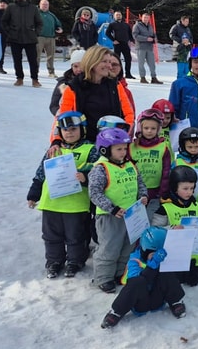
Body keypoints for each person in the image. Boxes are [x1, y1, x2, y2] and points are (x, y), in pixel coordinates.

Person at [27, 111, 99, 278]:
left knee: (76, 235)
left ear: (83, 130)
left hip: (76, 204)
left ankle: (75, 260)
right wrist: (33, 194)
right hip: (51, 202)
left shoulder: (91, 149)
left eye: (74, 129)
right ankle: (54, 261)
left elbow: (99, 171)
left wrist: (86, 177)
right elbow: (41, 173)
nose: (69, 133)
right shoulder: (54, 150)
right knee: (51, 235)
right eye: (65, 130)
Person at [88, 128, 148, 293]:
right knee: (109, 247)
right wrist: (112, 208)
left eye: (124, 148)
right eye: (118, 149)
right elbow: (95, 193)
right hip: (110, 217)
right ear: (105, 150)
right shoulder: (100, 168)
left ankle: (119, 273)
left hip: (131, 215)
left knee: (127, 247)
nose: (123, 152)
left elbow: (140, 183)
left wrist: (143, 196)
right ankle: (103, 277)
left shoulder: (130, 165)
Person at [100, 227, 186, 329]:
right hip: (140, 302)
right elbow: (137, 282)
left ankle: (175, 301)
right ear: (145, 250)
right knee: (137, 281)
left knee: (166, 273)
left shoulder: (165, 258)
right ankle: (117, 312)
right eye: (154, 253)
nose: (159, 256)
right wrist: (152, 265)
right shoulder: (135, 260)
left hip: (158, 299)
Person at [56, 45, 135, 142]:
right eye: (105, 61)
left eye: (110, 62)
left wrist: (123, 133)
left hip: (112, 141)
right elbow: (63, 118)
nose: (109, 66)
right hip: (84, 143)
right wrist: (56, 140)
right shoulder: (74, 87)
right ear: (92, 62)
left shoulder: (115, 85)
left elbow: (128, 113)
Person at [151, 165, 198, 286]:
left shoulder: (196, 205)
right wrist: (171, 229)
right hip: (175, 253)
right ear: (175, 188)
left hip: (196, 252)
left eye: (192, 188)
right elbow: (154, 230)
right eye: (185, 188)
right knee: (177, 278)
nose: (189, 192)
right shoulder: (165, 207)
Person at [129, 109, 172, 220]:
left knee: (149, 219)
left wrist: (163, 192)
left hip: (155, 191)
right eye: (146, 128)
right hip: (136, 192)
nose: (149, 131)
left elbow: (166, 171)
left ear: (158, 129)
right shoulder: (132, 147)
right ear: (140, 128)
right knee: (136, 220)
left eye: (153, 128)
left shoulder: (163, 147)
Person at [1, 0, 43, 87]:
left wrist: (35, 33)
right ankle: (19, 78)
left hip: (30, 38)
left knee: (33, 60)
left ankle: (35, 79)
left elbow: (40, 23)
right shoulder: (11, 7)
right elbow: (4, 21)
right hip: (15, 38)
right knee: (17, 60)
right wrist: (9, 32)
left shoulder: (33, 8)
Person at [50, 49, 84, 116]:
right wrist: (60, 114)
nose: (79, 69)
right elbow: (54, 105)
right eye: (75, 66)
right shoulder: (64, 83)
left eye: (82, 66)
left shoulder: (94, 81)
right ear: (71, 67)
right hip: (69, 120)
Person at [132, 12, 162, 84]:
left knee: (152, 63)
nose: (146, 19)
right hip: (141, 47)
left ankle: (153, 77)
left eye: (147, 18)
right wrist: (146, 39)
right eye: (145, 17)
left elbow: (154, 34)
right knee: (141, 63)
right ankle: (142, 77)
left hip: (149, 47)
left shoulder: (150, 26)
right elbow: (135, 36)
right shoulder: (137, 26)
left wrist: (155, 39)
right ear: (142, 18)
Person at [37, 0, 63, 78]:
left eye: (46, 5)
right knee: (36, 55)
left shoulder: (51, 15)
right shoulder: (36, 13)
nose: (45, 6)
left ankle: (51, 72)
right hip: (39, 37)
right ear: (40, 5)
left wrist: (59, 28)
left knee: (51, 56)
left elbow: (58, 24)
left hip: (51, 38)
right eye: (43, 4)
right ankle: (35, 71)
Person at [106, 11, 134, 79]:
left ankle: (128, 73)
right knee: (117, 59)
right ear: (114, 16)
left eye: (119, 15)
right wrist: (113, 40)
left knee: (128, 58)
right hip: (117, 44)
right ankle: (119, 74)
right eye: (117, 15)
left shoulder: (126, 25)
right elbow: (107, 33)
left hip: (125, 43)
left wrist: (132, 40)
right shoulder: (112, 24)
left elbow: (130, 34)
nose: (118, 16)